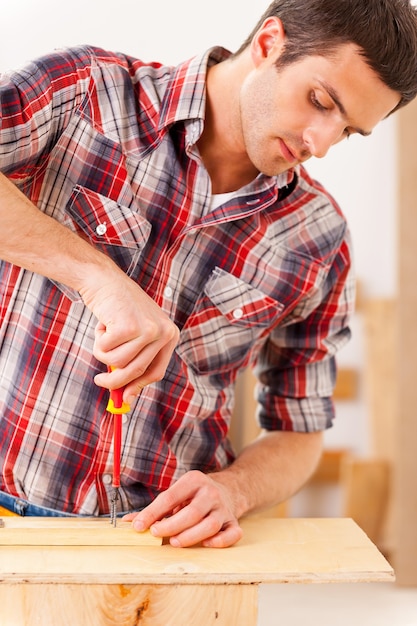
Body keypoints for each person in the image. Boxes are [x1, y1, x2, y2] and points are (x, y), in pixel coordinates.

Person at [0, 0, 416, 549]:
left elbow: (300, 429)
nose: (319, 142)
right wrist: (96, 277)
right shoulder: (85, 91)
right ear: (270, 43)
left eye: (347, 132)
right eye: (320, 100)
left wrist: (235, 490)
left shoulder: (319, 238)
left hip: (169, 548)